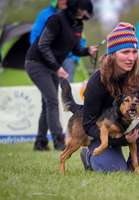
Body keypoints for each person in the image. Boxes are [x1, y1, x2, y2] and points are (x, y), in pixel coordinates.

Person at [80, 22, 139, 172]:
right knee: (113, 169)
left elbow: (138, 102)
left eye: (134, 51)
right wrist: (118, 140)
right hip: (104, 134)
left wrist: (137, 119)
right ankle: (88, 154)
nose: (131, 58)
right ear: (112, 54)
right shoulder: (96, 81)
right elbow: (88, 125)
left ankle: (134, 163)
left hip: (125, 125)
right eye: (125, 52)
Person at [25, 0, 97, 151]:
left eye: (86, 13)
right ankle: (59, 142)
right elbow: (42, 44)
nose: (85, 15)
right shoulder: (56, 19)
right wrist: (57, 67)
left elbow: (75, 49)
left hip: (51, 66)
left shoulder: (78, 25)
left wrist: (87, 50)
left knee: (47, 103)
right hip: (36, 63)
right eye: (82, 11)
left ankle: (40, 143)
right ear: (75, 7)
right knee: (52, 100)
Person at [30, 0, 87, 82]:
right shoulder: (44, 15)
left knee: (66, 87)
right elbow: (35, 35)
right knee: (49, 87)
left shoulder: (73, 15)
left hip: (68, 59)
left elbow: (81, 38)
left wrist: (75, 58)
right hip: (48, 57)